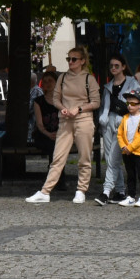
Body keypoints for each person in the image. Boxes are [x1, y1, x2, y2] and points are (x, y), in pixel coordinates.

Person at [26, 46, 100, 204]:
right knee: (58, 157)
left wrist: (79, 109)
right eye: (69, 59)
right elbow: (56, 99)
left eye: (74, 59)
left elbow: (95, 102)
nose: (70, 62)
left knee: (84, 157)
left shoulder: (89, 79)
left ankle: (81, 190)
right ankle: (45, 191)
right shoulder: (63, 78)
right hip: (65, 120)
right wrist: (63, 109)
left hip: (84, 119)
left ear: (82, 61)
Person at [94, 54, 140, 206]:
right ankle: (120, 191)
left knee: (113, 158)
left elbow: (139, 105)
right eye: (111, 66)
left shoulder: (132, 83)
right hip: (108, 122)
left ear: (123, 67)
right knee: (110, 159)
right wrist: (103, 117)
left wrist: (127, 117)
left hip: (123, 123)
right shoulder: (108, 86)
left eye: (117, 66)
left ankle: (106, 191)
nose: (113, 68)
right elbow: (104, 106)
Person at [116, 90, 140, 208]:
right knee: (130, 174)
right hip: (126, 152)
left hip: (139, 152)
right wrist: (123, 147)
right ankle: (131, 196)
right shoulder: (125, 118)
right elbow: (119, 134)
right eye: (128, 104)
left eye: (133, 104)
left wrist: (130, 147)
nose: (130, 106)